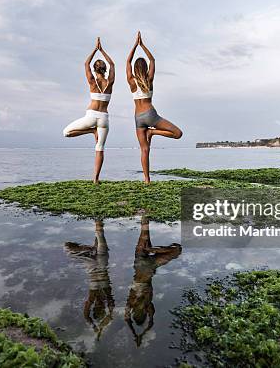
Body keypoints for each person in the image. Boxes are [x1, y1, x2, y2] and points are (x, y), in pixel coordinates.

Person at [126, 31, 183, 183]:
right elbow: (152, 59)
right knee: (178, 133)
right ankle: (154, 132)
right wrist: (142, 45)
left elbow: (127, 62)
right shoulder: (149, 80)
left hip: (138, 118)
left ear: (135, 69)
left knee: (144, 150)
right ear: (144, 68)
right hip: (150, 114)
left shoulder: (131, 82)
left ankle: (146, 179)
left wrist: (134, 45)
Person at [63, 37, 115, 183]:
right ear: (105, 69)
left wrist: (95, 49)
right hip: (104, 118)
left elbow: (86, 63)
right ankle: (96, 179)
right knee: (100, 148)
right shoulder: (109, 82)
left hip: (91, 116)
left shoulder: (92, 81)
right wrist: (102, 50)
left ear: (94, 69)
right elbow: (112, 63)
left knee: (66, 132)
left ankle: (91, 131)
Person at [124, 216, 181, 347]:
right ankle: (151, 249)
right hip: (142, 267)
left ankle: (151, 249)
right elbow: (129, 320)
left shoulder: (145, 306)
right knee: (145, 232)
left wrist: (139, 335)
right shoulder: (133, 305)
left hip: (148, 269)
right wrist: (136, 334)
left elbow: (150, 323)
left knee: (176, 249)